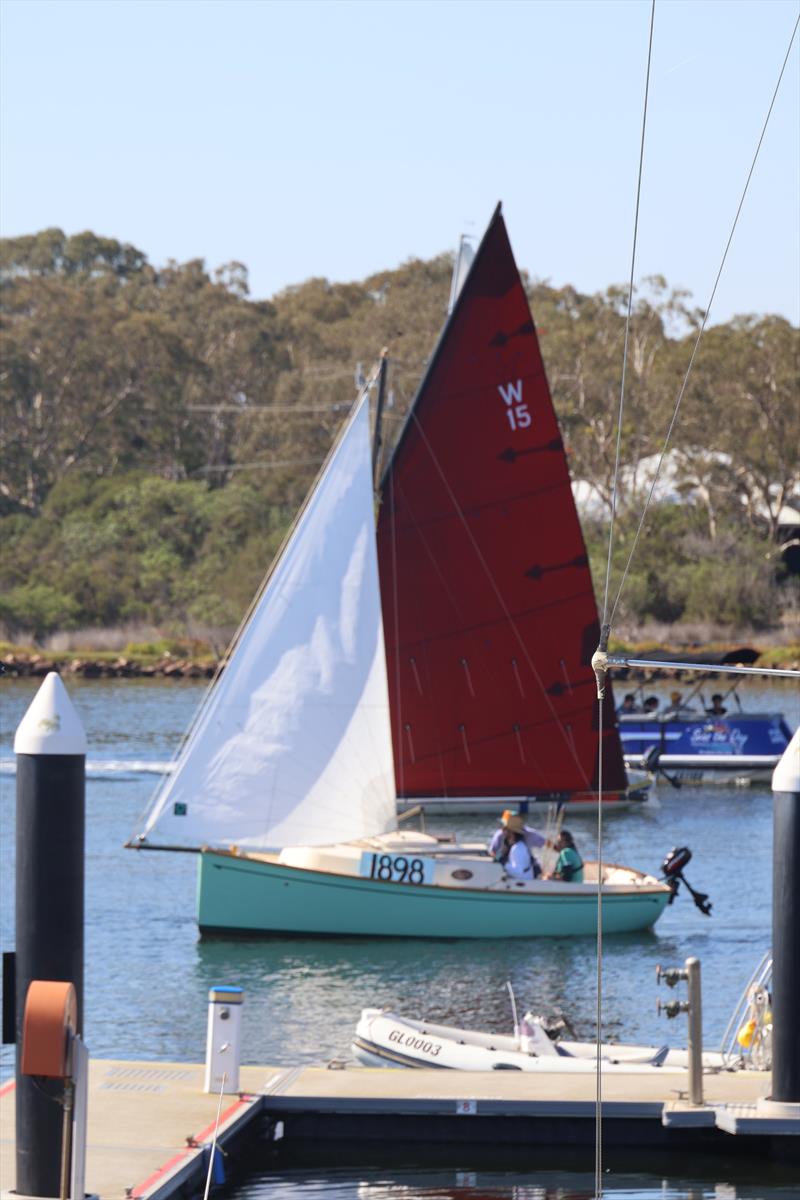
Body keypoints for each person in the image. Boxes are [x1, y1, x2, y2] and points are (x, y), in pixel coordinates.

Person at [490, 812, 540, 880]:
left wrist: (503, 862)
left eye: (504, 828)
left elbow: (519, 874)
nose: (502, 830)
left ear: (511, 832)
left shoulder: (518, 848)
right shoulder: (514, 846)